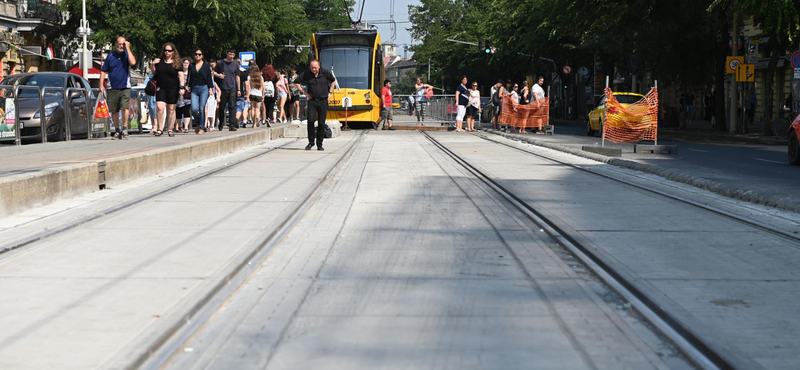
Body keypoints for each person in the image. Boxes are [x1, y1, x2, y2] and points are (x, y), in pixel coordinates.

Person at [292, 59, 335, 151]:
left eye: (315, 68)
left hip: (323, 100)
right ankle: (311, 142)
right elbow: (296, 82)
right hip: (312, 101)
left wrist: (330, 92)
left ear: (319, 67)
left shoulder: (325, 72)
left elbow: (333, 81)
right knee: (311, 121)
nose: (313, 69)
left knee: (321, 123)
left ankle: (319, 144)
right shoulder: (307, 73)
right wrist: (305, 93)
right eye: (312, 67)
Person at [99, 36, 137, 140]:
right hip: (112, 87)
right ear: (116, 44)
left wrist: (128, 48)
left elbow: (133, 63)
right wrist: (101, 85)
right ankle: (116, 130)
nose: (121, 46)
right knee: (114, 110)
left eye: (123, 44)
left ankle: (124, 129)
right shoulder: (111, 55)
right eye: (120, 44)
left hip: (125, 86)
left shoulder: (127, 54)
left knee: (125, 107)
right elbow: (103, 70)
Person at [152, 42, 184, 137]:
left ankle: (170, 129)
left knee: (171, 109)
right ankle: (160, 129)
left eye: (169, 51)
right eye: (165, 50)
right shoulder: (159, 61)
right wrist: (153, 64)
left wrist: (182, 87)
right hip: (161, 87)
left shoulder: (177, 62)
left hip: (173, 88)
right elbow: (154, 73)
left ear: (173, 52)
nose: (167, 52)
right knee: (160, 107)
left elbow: (181, 75)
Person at [213, 49, 241, 131]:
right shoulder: (220, 63)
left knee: (232, 106)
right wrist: (218, 75)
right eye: (230, 54)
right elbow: (213, 72)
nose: (231, 56)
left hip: (232, 87)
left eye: (232, 54)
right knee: (222, 107)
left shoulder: (235, 64)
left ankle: (231, 125)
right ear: (227, 54)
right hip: (222, 88)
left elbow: (237, 77)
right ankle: (221, 122)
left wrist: (238, 89)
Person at [189, 48, 213, 135]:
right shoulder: (191, 65)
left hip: (204, 88)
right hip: (194, 88)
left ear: (202, 55)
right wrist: (187, 86)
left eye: (199, 54)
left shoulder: (206, 66)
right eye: (196, 54)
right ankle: (198, 123)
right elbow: (189, 76)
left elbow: (209, 78)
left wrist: (210, 89)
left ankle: (202, 127)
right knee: (194, 109)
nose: (197, 56)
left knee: (202, 108)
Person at [175, 57, 192, 133]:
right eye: (184, 63)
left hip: (187, 94)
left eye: (187, 63)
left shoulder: (191, 74)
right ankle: (179, 126)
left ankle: (186, 127)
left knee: (186, 110)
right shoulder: (178, 73)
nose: (185, 64)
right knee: (178, 110)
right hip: (178, 94)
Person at [143, 60, 158, 135]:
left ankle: (157, 126)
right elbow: (147, 89)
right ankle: (154, 126)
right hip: (151, 96)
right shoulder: (149, 76)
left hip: (158, 96)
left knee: (158, 111)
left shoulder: (161, 75)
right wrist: (145, 101)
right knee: (152, 112)